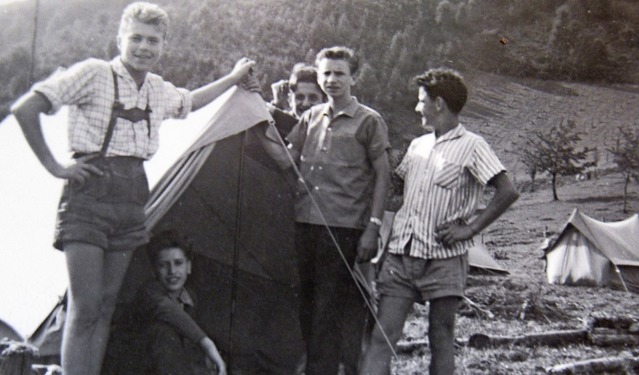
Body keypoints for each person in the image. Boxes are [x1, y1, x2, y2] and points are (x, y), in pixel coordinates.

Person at [10, 3, 255, 374]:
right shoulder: (93, 73)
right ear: (120, 38)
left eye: (153, 40)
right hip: (90, 194)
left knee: (106, 306)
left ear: (163, 45)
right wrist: (56, 167)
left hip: (132, 196)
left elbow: (191, 101)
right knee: (85, 306)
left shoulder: (157, 89)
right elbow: (27, 108)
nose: (144, 47)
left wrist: (235, 77)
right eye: (136, 38)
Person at [359, 68, 520, 375]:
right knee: (382, 335)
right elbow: (399, 194)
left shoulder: (473, 145)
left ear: (439, 104)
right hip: (402, 256)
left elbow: (507, 191)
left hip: (444, 260)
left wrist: (470, 229)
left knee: (441, 337)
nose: (417, 107)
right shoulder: (418, 145)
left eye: (421, 101)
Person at [286, 46, 391, 375]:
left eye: (339, 73)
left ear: (353, 78)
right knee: (306, 305)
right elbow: (287, 157)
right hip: (305, 224)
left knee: (327, 311)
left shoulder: (369, 121)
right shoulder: (310, 117)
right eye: (326, 73)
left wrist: (373, 227)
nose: (332, 80)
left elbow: (383, 173)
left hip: (344, 230)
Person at [134, 230, 225, 375]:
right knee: (162, 330)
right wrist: (207, 345)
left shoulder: (190, 298)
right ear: (154, 270)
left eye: (178, 263)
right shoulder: (149, 292)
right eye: (163, 265)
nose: (172, 271)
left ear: (189, 267)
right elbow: (164, 308)